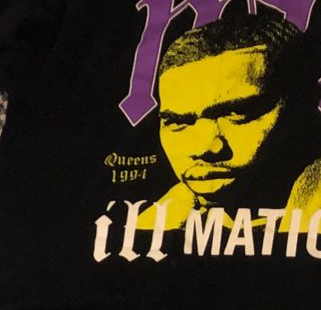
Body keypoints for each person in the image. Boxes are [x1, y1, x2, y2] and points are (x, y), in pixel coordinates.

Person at [137, 15, 321, 229]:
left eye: (237, 113)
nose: (205, 148)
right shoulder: (152, 229)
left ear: (305, 102)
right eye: (178, 122)